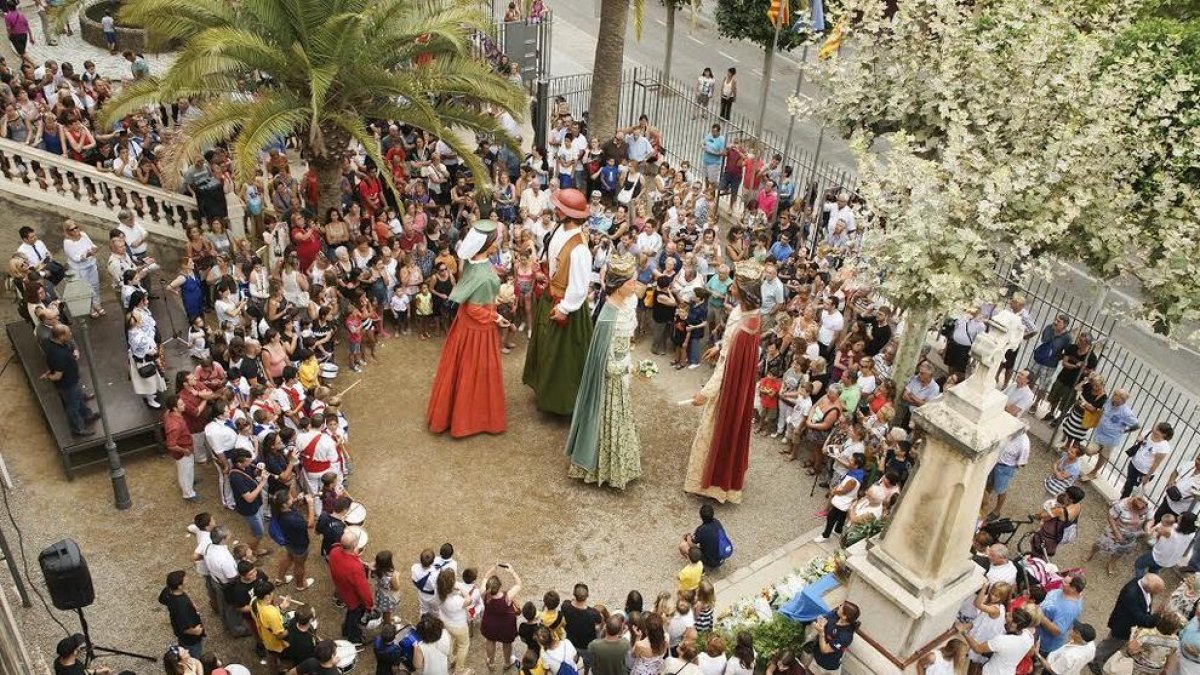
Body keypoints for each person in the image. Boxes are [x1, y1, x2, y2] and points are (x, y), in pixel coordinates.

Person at [683, 259, 763, 503]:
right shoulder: (745, 312)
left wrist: (704, 393)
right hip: (728, 369)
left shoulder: (747, 326)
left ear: (745, 291)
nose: (731, 287)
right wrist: (719, 346)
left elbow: (727, 368)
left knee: (714, 430)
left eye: (735, 285)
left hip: (728, 388)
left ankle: (713, 483)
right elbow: (730, 347)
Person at [566, 254, 641, 489]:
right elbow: (607, 366)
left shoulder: (625, 305)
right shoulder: (608, 318)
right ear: (619, 286)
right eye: (631, 281)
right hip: (610, 384)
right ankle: (601, 468)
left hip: (622, 372)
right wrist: (629, 367)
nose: (635, 285)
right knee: (609, 421)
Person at [427, 220, 508, 437]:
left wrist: (492, 293)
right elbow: (475, 309)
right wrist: (497, 316)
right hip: (478, 333)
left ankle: (452, 414)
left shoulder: (472, 261)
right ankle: (472, 420)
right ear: (487, 245)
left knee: (459, 370)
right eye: (496, 240)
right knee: (476, 373)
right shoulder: (486, 277)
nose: (499, 242)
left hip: (464, 327)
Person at [523, 188, 596, 415]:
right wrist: (543, 269)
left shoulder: (580, 249)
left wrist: (565, 308)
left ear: (568, 214)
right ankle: (544, 390)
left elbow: (579, 286)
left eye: (559, 208)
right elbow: (555, 260)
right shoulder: (559, 229)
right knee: (546, 348)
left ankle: (563, 402)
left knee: (563, 358)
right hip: (550, 295)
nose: (555, 210)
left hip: (565, 305)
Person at [1091, 574, 1165, 670]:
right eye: (1156, 592)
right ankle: (1095, 660)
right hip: (1122, 627)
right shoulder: (1131, 595)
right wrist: (1157, 616)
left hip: (1127, 624)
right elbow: (1141, 619)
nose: (1156, 594)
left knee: (1114, 644)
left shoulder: (1142, 582)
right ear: (1149, 589)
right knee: (1111, 644)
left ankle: (1103, 658)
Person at [41, 325, 100, 437]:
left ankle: (87, 416)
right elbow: (57, 376)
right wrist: (48, 376)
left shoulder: (55, 344)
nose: (71, 334)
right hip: (67, 385)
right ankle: (78, 429)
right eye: (68, 333)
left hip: (73, 379)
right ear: (61, 336)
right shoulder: (58, 355)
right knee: (73, 407)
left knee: (80, 399)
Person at [1086, 494, 1152, 575]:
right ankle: (1091, 553)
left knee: (1121, 550)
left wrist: (1147, 528)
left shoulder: (1146, 506)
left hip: (1131, 535)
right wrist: (1116, 532)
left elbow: (1149, 519)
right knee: (1100, 543)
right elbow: (1110, 517)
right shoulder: (1121, 505)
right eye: (1139, 512)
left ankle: (1111, 563)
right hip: (1116, 531)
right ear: (1132, 507)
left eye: (1144, 511)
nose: (1142, 513)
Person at [957, 607, 1035, 675]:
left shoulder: (1003, 640)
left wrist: (963, 632)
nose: (1007, 614)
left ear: (1014, 625)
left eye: (1010, 615)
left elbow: (978, 648)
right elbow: (1031, 652)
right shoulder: (1028, 637)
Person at [329, 530, 373, 646]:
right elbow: (363, 589)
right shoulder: (355, 567)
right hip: (353, 598)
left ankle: (346, 629)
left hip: (342, 589)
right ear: (354, 545)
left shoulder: (334, 551)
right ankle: (354, 638)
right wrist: (369, 604)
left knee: (351, 614)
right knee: (354, 616)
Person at [480, 563, 523, 670]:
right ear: (500, 586)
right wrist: (512, 571)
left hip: (489, 623)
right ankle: (507, 663)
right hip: (505, 625)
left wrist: (492, 569)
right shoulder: (507, 597)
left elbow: (485, 578)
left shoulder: (483, 593)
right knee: (507, 644)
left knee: (490, 640)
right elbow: (518, 585)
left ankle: (491, 663)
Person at [61, 220, 105, 318]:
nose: (75, 230)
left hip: (91, 265)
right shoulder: (67, 242)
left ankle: (97, 303)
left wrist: (94, 248)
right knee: (86, 289)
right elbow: (75, 258)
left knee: (95, 285)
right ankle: (90, 307)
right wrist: (87, 254)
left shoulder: (84, 235)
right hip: (80, 269)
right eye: (72, 229)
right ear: (68, 231)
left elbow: (91, 245)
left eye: (76, 227)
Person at [1133, 512, 1197, 579]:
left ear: (1184, 523)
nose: (1177, 518)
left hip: (1158, 556)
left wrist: (1150, 526)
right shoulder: (1192, 533)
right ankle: (1152, 580)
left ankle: (1140, 581)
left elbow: (1154, 531)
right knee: (1154, 568)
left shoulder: (1169, 531)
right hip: (1169, 560)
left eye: (1180, 518)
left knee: (1139, 564)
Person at [158, 570, 206, 658]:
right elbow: (184, 628)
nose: (187, 579)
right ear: (179, 586)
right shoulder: (182, 606)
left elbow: (161, 599)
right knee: (194, 655)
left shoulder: (169, 592)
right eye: (185, 579)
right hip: (191, 641)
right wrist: (196, 631)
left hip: (180, 634)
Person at [163, 393, 202, 502]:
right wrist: (184, 451)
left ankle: (190, 481)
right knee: (185, 471)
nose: (184, 405)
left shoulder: (170, 414)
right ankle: (189, 494)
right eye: (181, 404)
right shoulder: (175, 425)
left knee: (188, 469)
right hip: (183, 452)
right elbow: (171, 445)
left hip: (186, 448)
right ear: (175, 408)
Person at [983, 430, 1030, 519]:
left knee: (1001, 490)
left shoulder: (1024, 443)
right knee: (989, 483)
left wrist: (1011, 465)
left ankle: (996, 512)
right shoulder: (1010, 431)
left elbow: (1022, 463)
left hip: (1005, 468)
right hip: (995, 462)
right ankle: (983, 502)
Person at [1037, 575, 1086, 657]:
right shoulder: (1066, 592)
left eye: (1065, 582)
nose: (1062, 582)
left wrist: (1040, 616)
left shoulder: (1068, 609)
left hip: (1044, 643)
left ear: (1073, 589)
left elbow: (1057, 631)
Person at [804, 602, 860, 675]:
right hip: (816, 656)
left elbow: (825, 650)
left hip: (827, 667)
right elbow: (821, 619)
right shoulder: (835, 614)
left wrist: (821, 632)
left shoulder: (845, 636)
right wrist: (819, 621)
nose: (839, 606)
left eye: (841, 606)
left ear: (844, 616)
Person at [1122, 422, 1175, 499]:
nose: (1154, 430)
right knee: (1128, 485)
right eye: (1156, 427)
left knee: (1135, 490)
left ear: (1164, 434)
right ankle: (1122, 501)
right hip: (1134, 464)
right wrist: (1139, 439)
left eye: (1157, 430)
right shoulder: (1149, 432)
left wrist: (1147, 477)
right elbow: (1140, 438)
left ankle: (1128, 502)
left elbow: (1156, 463)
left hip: (1144, 472)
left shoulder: (1164, 447)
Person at [678, 504, 727, 570]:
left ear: (700, 516)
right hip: (723, 557)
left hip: (712, 562)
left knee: (683, 546)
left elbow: (691, 544)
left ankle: (698, 567)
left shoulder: (701, 530)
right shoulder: (717, 522)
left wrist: (688, 536)